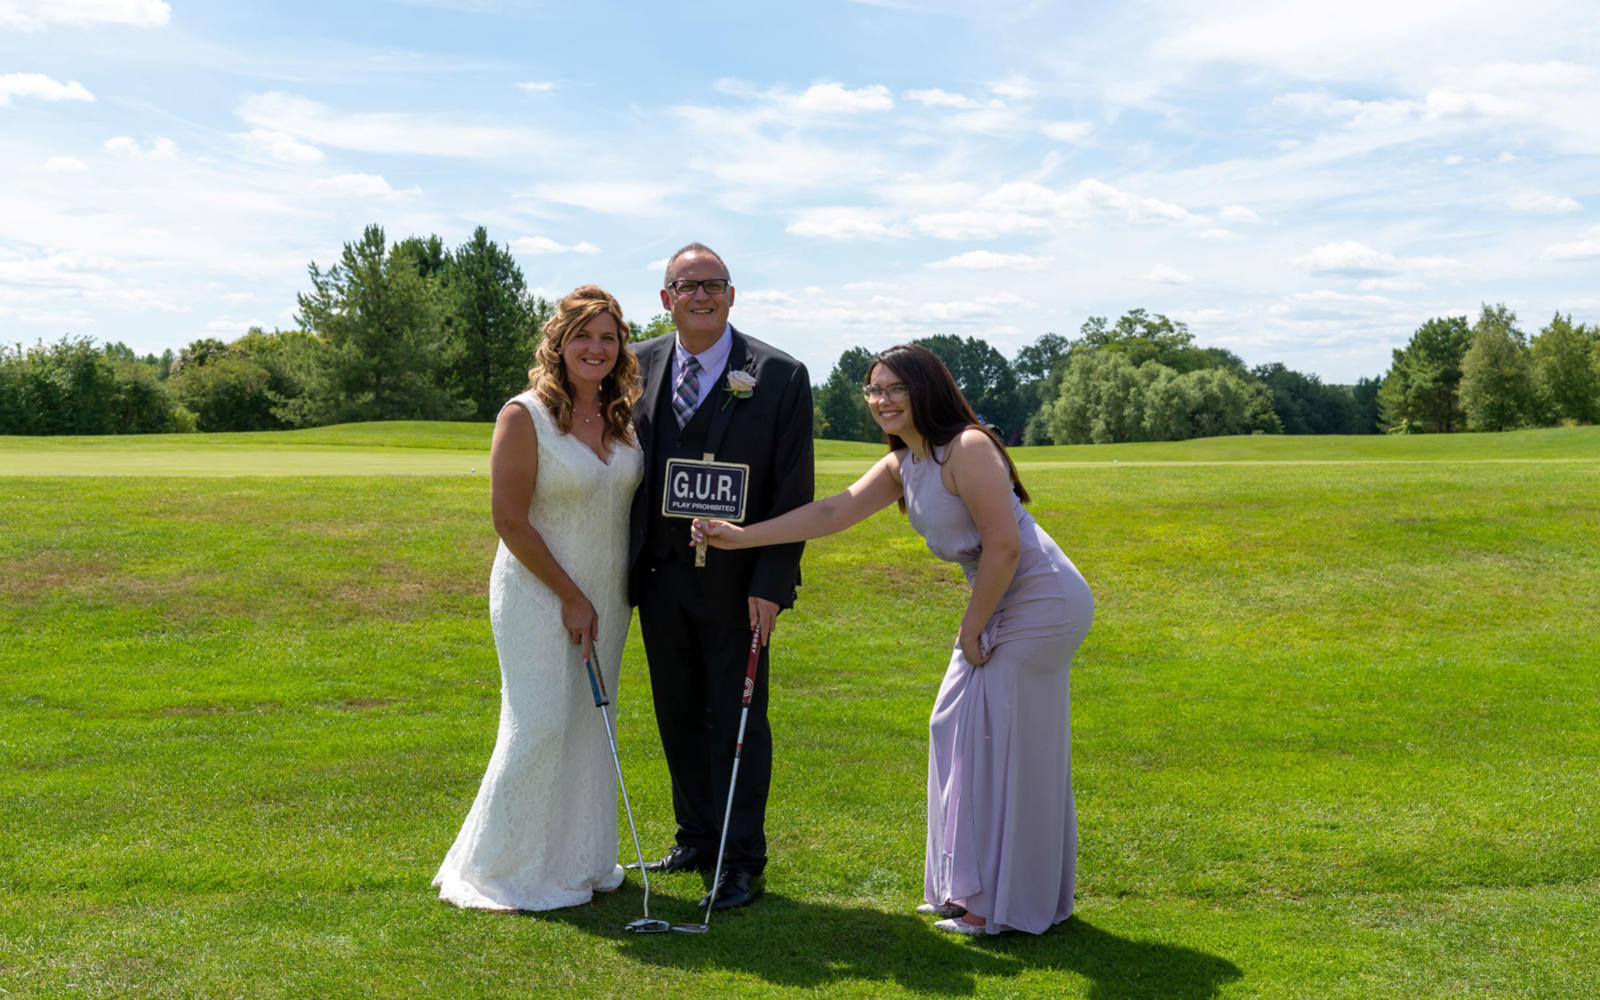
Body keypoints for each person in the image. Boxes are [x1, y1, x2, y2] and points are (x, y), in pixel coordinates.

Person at [692, 343, 1092, 935]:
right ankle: (967, 885)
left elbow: (1005, 546)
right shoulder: (905, 461)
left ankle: (995, 905)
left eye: (894, 389)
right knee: (952, 726)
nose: (881, 400)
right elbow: (832, 512)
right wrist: (741, 536)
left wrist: (972, 624)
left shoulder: (969, 446)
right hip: (997, 594)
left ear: (925, 389)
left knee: (993, 737)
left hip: (1039, 600)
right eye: (873, 390)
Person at [434, 285, 644, 912]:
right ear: (558, 342)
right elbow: (510, 521)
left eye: (608, 337)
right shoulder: (523, 415)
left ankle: (577, 862)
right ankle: (504, 867)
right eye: (583, 335)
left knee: (589, 724)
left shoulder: (621, 416)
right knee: (540, 725)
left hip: (609, 596)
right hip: (539, 593)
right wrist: (570, 597)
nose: (596, 348)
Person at [627, 243, 814, 910]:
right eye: (686, 285)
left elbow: (793, 489)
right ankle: (696, 837)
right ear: (665, 298)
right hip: (658, 576)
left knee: (738, 719)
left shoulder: (780, 374)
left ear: (732, 296)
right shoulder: (637, 364)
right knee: (676, 712)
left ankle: (741, 859)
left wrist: (773, 581)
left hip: (741, 585)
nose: (700, 296)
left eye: (714, 285)